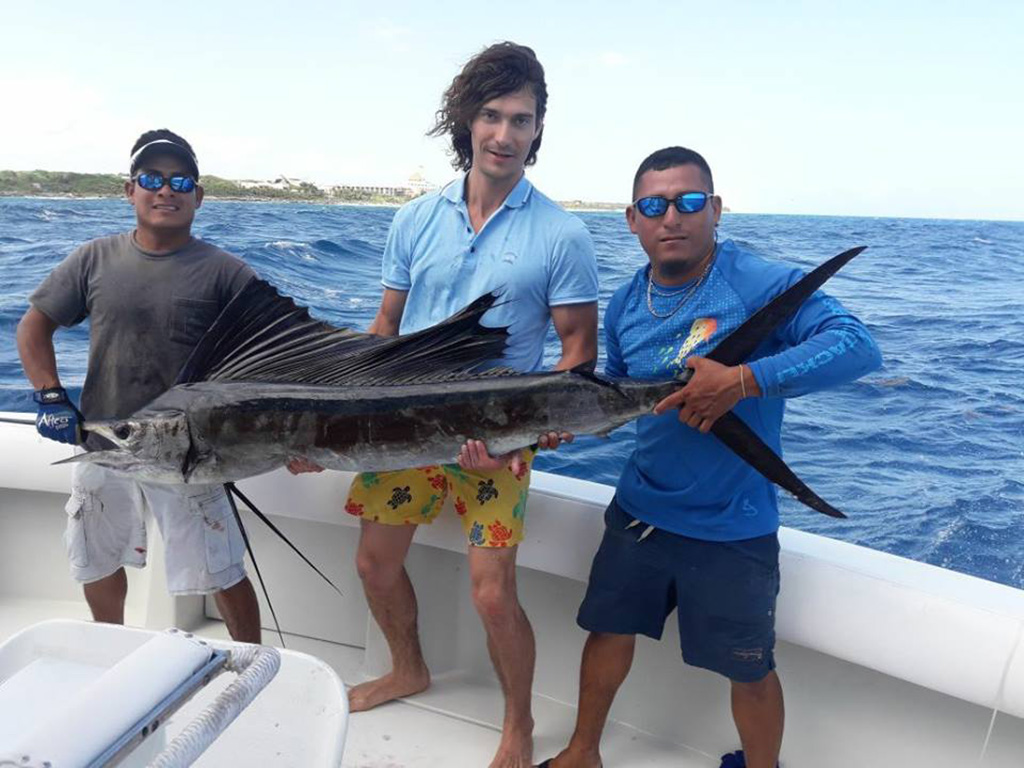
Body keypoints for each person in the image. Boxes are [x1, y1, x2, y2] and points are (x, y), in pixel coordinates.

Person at [540, 146, 882, 768]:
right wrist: (559, 427)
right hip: (640, 511)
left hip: (733, 525)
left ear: (715, 209)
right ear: (632, 219)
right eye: (655, 204)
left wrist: (743, 380)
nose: (672, 216)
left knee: (750, 671)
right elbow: (616, 394)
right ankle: (582, 752)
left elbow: (858, 348)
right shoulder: (622, 303)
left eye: (689, 201)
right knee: (607, 632)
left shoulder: (759, 282)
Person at [333, 41, 598, 768]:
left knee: (491, 594)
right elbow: (384, 331)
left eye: (522, 119)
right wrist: (338, 417)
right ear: (466, 120)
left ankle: (518, 726)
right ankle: (407, 667)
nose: (505, 135)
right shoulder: (415, 218)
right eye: (492, 116)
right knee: (373, 567)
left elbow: (578, 353)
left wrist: (537, 435)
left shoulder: (562, 233)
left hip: (496, 441)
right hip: (405, 434)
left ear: (539, 130)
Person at [17, 129, 262, 643]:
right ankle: (112, 649)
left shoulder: (228, 273)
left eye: (180, 180)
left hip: (193, 453)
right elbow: (33, 326)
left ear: (199, 195)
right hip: (106, 443)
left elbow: (270, 365)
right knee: (96, 555)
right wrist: (48, 395)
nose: (165, 190)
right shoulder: (94, 259)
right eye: (152, 178)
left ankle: (252, 663)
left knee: (221, 569)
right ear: (130, 190)